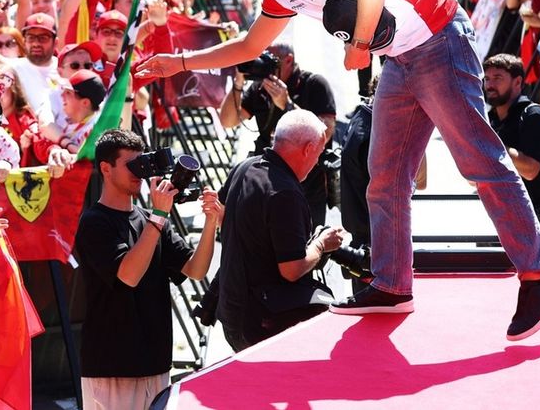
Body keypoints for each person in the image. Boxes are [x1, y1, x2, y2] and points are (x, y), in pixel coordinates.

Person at [135, 0, 540, 341]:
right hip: (401, 58)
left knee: (481, 163)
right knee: (385, 176)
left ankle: (538, 277)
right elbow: (248, 48)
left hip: (439, 39)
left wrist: (358, 44)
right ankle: (393, 285)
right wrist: (180, 63)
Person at [73, 129, 217, 410]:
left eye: (143, 164)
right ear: (106, 168)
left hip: (156, 363)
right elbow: (128, 276)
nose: (139, 173)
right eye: (131, 165)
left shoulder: (149, 221)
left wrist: (211, 222)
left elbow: (196, 270)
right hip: (112, 367)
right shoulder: (94, 222)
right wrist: (159, 216)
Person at [215, 110, 345, 351]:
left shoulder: (245, 167)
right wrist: (320, 244)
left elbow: (221, 215)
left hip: (232, 310)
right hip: (263, 322)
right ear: (307, 149)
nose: (318, 162)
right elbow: (292, 270)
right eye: (318, 152)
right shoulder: (285, 193)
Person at [217, 40, 336, 224]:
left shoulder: (314, 84)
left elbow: (326, 132)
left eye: (272, 61)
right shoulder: (259, 88)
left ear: (289, 60)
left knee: (305, 245)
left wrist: (287, 105)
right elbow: (228, 121)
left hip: (306, 187)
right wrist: (238, 82)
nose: (266, 66)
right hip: (266, 182)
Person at [483, 54, 540, 226]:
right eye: (487, 79)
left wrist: (493, 146)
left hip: (527, 218)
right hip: (493, 215)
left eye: (497, 78)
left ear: (517, 82)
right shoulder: (490, 119)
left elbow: (531, 170)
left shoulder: (533, 115)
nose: (489, 85)